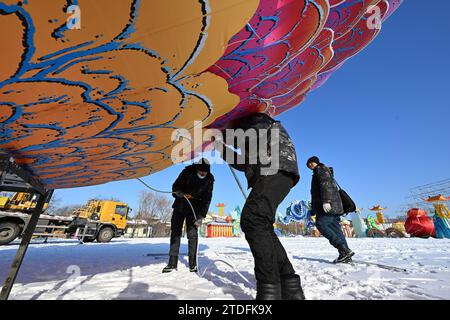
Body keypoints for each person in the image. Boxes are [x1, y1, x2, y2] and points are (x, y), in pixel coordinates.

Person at [214, 112, 305, 300]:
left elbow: (252, 138)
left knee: (252, 219)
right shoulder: (254, 138)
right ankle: (290, 286)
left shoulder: (257, 122)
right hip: (278, 171)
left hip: (275, 168)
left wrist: (222, 135)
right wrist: (220, 147)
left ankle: (270, 291)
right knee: (261, 224)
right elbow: (245, 163)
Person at [162, 158, 214, 273]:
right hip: (180, 205)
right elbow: (175, 186)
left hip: (194, 209)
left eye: (204, 172)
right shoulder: (187, 172)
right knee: (175, 233)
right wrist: (178, 193)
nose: (202, 174)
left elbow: (207, 199)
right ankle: (172, 263)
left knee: (192, 235)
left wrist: (201, 216)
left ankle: (193, 264)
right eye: (200, 171)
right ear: (196, 169)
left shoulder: (209, 179)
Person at [306, 156, 354, 263]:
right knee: (336, 230)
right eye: (308, 165)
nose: (309, 165)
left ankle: (343, 249)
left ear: (315, 162)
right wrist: (313, 209)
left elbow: (325, 185)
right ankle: (346, 254)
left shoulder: (321, 169)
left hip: (328, 206)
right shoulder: (323, 171)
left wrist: (326, 201)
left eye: (310, 163)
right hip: (334, 206)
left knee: (321, 224)